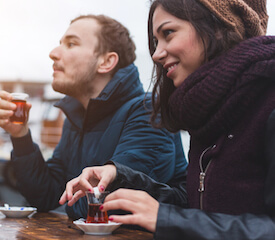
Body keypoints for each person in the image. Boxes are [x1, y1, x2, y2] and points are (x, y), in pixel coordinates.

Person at [60, 0, 275, 239]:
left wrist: (166, 219)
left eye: (168, 33)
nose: (156, 54)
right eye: (155, 41)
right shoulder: (206, 112)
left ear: (217, 26)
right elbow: (201, 206)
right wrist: (121, 178)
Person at [0, 14, 188, 220]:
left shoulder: (148, 111)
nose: (53, 53)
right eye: (60, 44)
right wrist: (21, 136)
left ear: (106, 62)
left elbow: (109, 207)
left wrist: (65, 205)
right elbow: (47, 196)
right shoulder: (77, 117)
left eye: (71, 44)